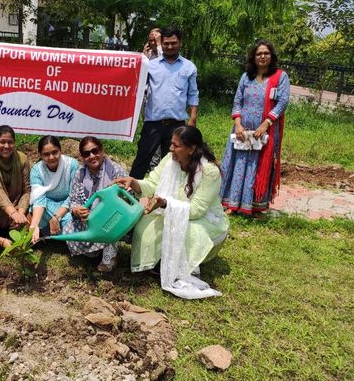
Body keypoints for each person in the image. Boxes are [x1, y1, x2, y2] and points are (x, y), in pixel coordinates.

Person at [115, 126, 228, 298]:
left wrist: (166, 203)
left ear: (192, 149)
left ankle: (185, 269)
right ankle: (160, 264)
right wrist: (134, 182)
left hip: (204, 220)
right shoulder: (169, 159)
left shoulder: (209, 172)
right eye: (171, 144)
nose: (171, 149)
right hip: (171, 210)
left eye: (176, 146)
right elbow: (152, 184)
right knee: (145, 226)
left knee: (188, 232)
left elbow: (197, 210)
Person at [220, 40, 290, 215]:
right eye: (259, 53)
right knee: (237, 164)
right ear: (253, 57)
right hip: (242, 131)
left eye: (266, 53)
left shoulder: (280, 77)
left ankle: (255, 206)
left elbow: (282, 102)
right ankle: (232, 203)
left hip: (264, 131)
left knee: (258, 166)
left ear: (272, 56)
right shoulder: (246, 77)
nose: (263, 56)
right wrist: (237, 124)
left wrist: (266, 124)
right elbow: (237, 101)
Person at [130, 27, 199, 179]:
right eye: (166, 43)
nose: (169, 46)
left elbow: (193, 94)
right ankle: (129, 194)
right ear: (162, 43)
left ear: (180, 42)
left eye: (173, 43)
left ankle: (165, 198)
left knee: (172, 163)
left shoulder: (189, 67)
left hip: (177, 125)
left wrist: (192, 119)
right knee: (142, 159)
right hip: (153, 123)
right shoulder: (151, 65)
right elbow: (137, 88)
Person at [63, 136, 128, 272]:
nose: (92, 156)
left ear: (102, 150)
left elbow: (129, 197)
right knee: (70, 230)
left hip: (114, 216)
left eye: (95, 151)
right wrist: (77, 210)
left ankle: (110, 256)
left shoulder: (115, 170)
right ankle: (96, 250)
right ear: (82, 157)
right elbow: (74, 200)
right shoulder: (79, 174)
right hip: (89, 219)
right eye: (87, 153)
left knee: (110, 224)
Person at [0, 125, 31, 234]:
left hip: (17, 204)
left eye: (10, 142)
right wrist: (13, 213)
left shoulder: (22, 159)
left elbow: (27, 191)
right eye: (2, 142)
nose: (6, 146)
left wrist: (20, 213)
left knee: (33, 208)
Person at [29, 135, 79, 243]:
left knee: (72, 219)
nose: (51, 157)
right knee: (36, 213)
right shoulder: (37, 170)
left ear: (60, 150)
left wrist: (57, 217)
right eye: (46, 154)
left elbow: (73, 195)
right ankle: (45, 231)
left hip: (67, 206)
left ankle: (48, 232)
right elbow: (39, 199)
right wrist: (34, 226)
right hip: (47, 206)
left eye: (54, 152)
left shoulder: (72, 165)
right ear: (40, 155)